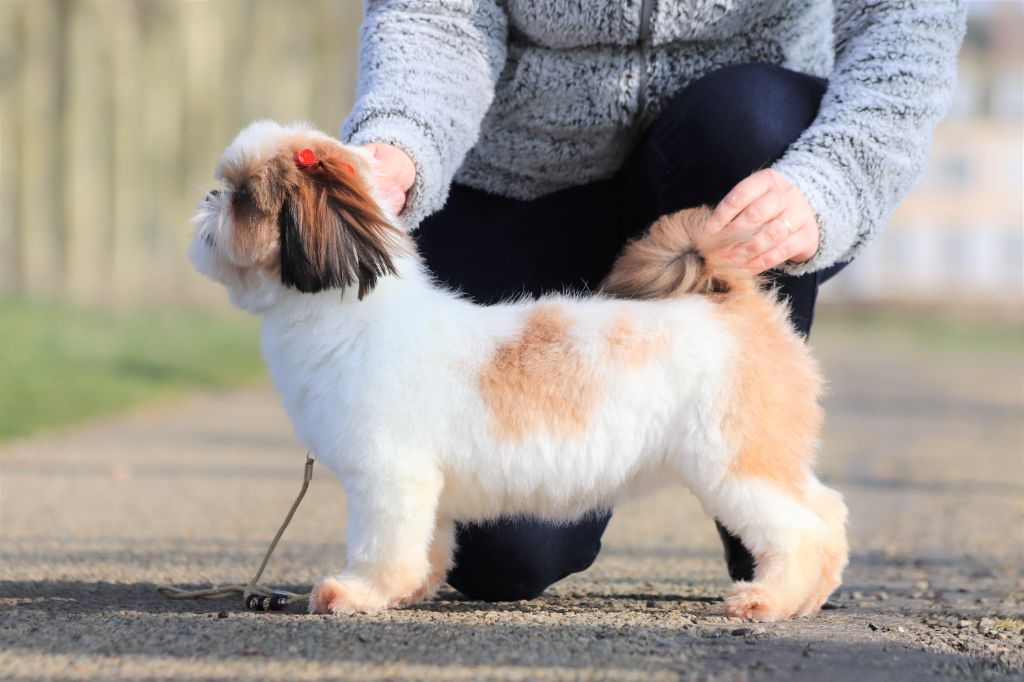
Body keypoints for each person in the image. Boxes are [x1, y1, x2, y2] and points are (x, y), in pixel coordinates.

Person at [339, 1, 966, 601]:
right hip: (518, 179)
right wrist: (403, 138)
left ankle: (770, 484)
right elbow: (432, 14)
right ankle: (780, 497)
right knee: (501, 551)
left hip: (732, 162)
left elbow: (907, 18)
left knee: (752, 123)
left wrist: (833, 181)